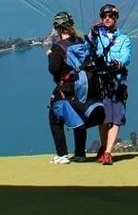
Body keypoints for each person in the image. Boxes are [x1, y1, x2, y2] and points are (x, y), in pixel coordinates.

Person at [45, 11, 95, 163]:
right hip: (83, 87)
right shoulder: (80, 42)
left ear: (57, 29)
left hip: (66, 88)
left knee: (55, 117)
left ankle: (62, 154)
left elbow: (54, 69)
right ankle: (80, 153)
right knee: (78, 117)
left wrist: (50, 55)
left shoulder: (58, 47)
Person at [87, 3, 132, 165]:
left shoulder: (123, 39)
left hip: (117, 81)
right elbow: (88, 50)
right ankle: (104, 145)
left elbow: (126, 56)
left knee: (115, 117)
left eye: (111, 16)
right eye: (104, 16)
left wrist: (118, 63)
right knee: (103, 118)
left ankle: (107, 152)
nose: (107, 18)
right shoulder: (97, 37)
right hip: (101, 81)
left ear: (116, 18)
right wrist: (91, 35)